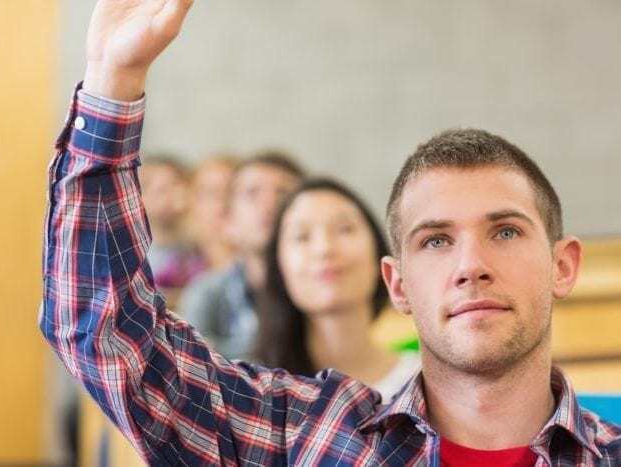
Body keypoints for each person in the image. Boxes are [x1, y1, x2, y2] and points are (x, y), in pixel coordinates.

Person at [40, 1, 620, 465]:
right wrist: (112, 81)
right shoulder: (299, 436)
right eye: (436, 241)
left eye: (506, 232)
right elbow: (107, 331)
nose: (471, 264)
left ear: (563, 265)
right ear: (396, 284)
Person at [256, 178, 420, 401]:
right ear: (279, 269)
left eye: (345, 229)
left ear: (379, 259)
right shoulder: (257, 394)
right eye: (302, 237)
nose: (324, 249)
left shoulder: (424, 384)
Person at [177, 150, 304, 360]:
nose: (269, 204)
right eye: (252, 193)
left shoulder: (320, 289)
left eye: (282, 192)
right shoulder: (206, 294)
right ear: (228, 222)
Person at [140, 154, 205, 307]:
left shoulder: (200, 244)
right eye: (163, 190)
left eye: (179, 186)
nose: (176, 195)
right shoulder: (130, 252)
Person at [187, 155, 238, 271]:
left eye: (231, 191)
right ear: (192, 202)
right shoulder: (174, 272)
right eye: (211, 193)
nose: (222, 202)